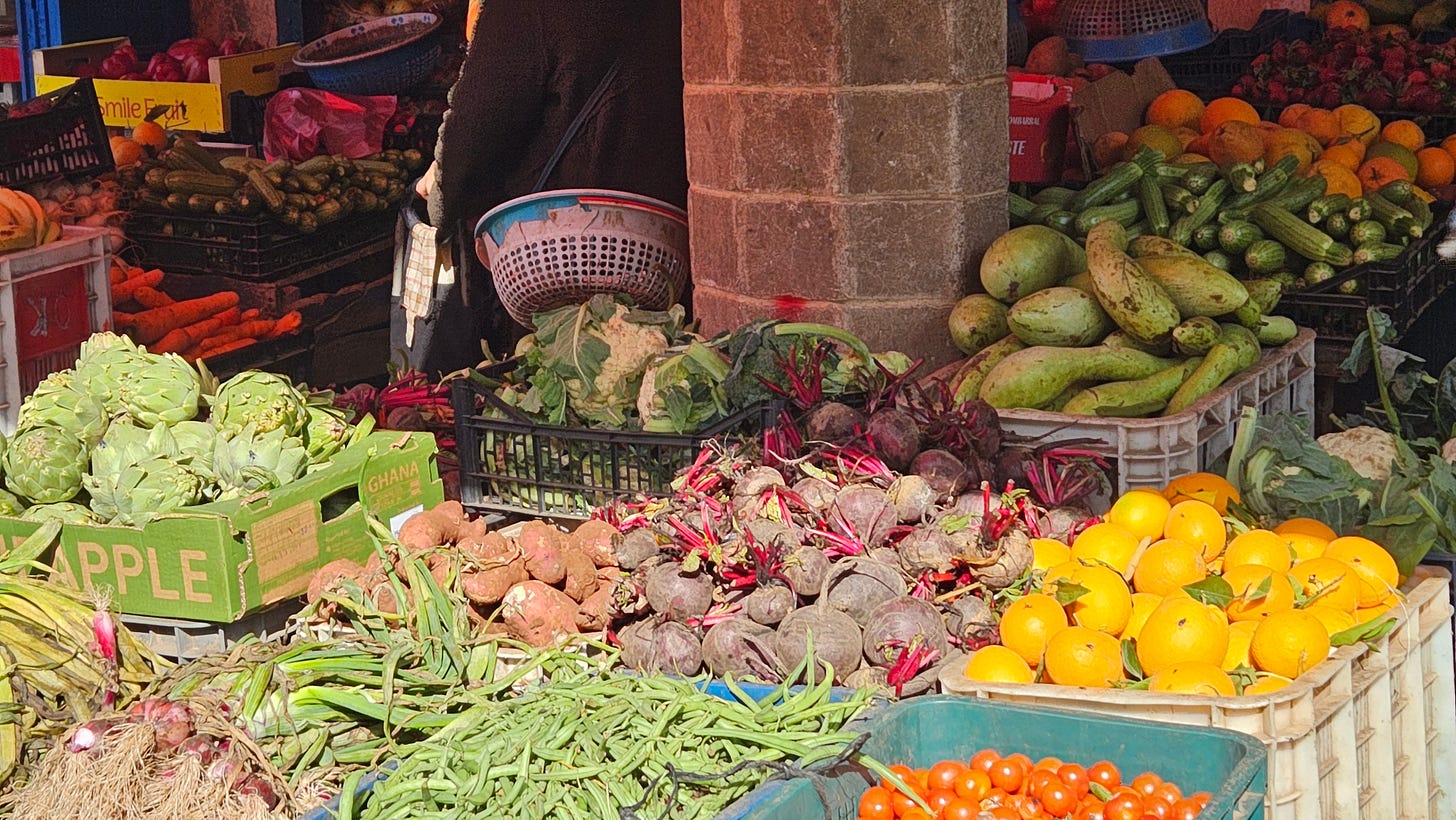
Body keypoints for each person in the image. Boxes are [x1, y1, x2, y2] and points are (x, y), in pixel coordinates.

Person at [403, 0, 688, 376]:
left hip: (564, 264)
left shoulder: (526, 9)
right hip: (669, 255)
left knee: (565, 393)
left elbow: (473, 138)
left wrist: (439, 190)